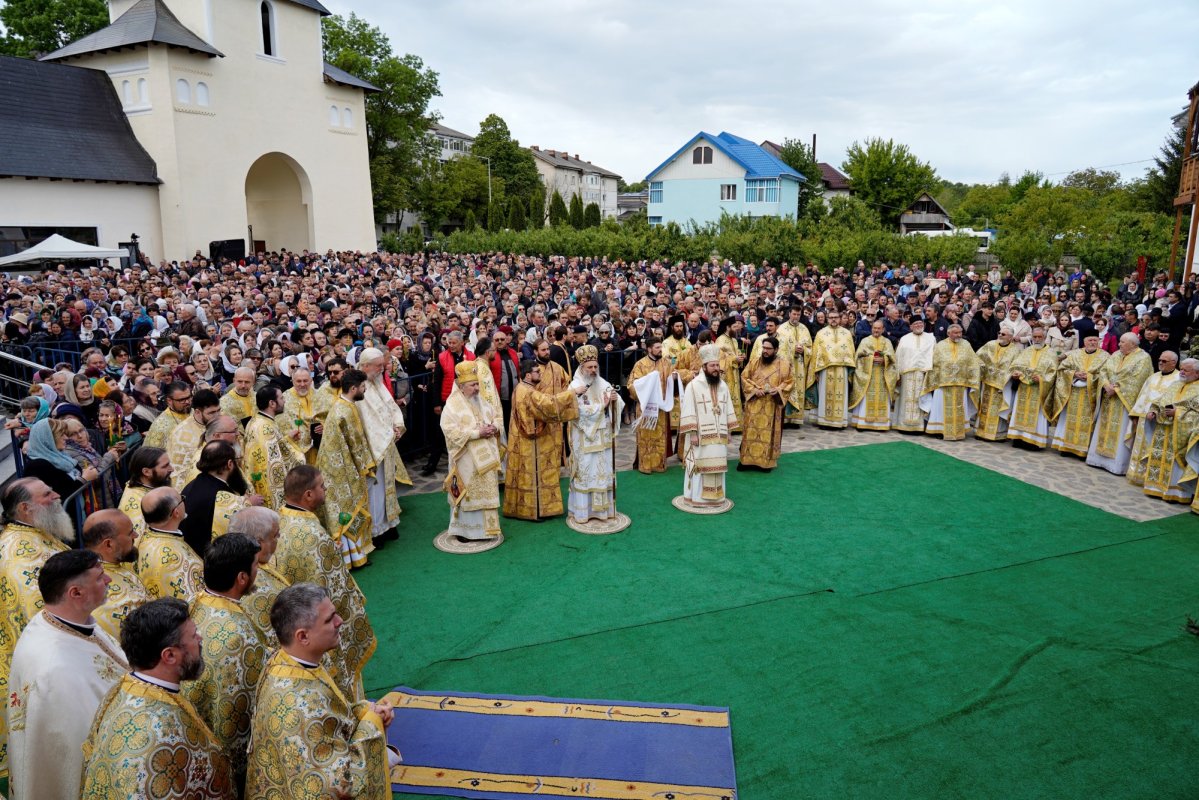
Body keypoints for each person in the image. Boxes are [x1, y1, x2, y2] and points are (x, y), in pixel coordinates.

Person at [245, 584, 396, 800]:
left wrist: (365, 710)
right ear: (303, 636)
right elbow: (335, 787)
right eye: (329, 619)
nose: (339, 621)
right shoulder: (300, 707)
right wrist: (371, 722)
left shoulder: (285, 660)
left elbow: (331, 718)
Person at [80, 598, 234, 799]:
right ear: (169, 656)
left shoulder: (124, 687)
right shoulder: (158, 734)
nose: (200, 638)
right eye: (193, 634)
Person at [7, 549, 128, 800]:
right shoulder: (54, 670)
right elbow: (78, 747)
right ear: (75, 593)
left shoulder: (59, 621)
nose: (108, 580)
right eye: (100, 577)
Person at [275, 466, 376, 702]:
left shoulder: (282, 518)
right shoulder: (313, 536)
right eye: (322, 486)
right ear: (308, 494)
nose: (325, 490)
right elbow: (331, 590)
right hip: (316, 625)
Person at [182, 533, 268, 792]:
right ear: (241, 578)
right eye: (256, 567)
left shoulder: (198, 601)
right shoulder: (238, 637)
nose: (259, 572)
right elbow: (242, 706)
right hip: (224, 751)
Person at [0, 478, 75, 776]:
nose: (57, 495)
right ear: (25, 509)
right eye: (47, 494)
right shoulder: (20, 559)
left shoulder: (34, 533)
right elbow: (51, 616)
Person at [503, 359, 583, 520]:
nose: (540, 374)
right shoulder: (529, 392)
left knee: (523, 475)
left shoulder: (520, 388)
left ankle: (522, 510)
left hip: (519, 440)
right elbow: (549, 404)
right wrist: (573, 393)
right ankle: (536, 510)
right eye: (537, 372)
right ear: (527, 375)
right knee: (536, 473)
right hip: (531, 442)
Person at [314, 368, 374, 567]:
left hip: (339, 465)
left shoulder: (345, 406)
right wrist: (366, 466)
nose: (364, 390)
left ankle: (356, 555)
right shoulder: (344, 410)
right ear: (354, 388)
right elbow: (355, 443)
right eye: (363, 387)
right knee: (346, 507)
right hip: (340, 469)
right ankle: (351, 558)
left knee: (345, 507)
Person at [441, 361, 505, 541]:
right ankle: (466, 531)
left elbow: (497, 416)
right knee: (468, 493)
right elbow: (450, 431)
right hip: (466, 459)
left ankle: (488, 529)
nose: (477, 388)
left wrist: (494, 427)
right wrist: (477, 433)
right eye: (472, 385)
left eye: (477, 384)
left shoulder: (482, 401)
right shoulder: (452, 405)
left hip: (486, 458)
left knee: (486, 491)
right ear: (461, 387)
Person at [356, 347, 412, 548]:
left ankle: (388, 524)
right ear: (365, 366)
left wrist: (397, 426)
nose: (382, 369)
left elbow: (390, 408)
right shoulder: (358, 387)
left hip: (386, 443)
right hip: (373, 449)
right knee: (375, 490)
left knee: (388, 486)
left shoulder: (377, 382)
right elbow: (368, 422)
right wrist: (390, 433)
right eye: (378, 366)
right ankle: (375, 530)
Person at [566, 344, 625, 524]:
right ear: (581, 367)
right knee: (586, 472)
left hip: (602, 437)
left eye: (595, 366)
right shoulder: (574, 386)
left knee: (601, 471)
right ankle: (583, 512)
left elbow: (616, 402)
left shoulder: (602, 382)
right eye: (589, 367)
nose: (593, 370)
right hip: (584, 438)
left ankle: (603, 512)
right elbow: (576, 411)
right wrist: (603, 406)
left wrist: (615, 402)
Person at [678, 345, 738, 507]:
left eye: (717, 365)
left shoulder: (723, 385)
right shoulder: (693, 385)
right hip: (701, 435)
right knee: (700, 466)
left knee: (717, 465)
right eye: (712, 365)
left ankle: (717, 498)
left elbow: (728, 408)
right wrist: (692, 434)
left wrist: (730, 430)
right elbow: (688, 409)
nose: (716, 368)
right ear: (703, 367)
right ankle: (697, 498)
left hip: (720, 435)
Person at [1086, 333, 1154, 475]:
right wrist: (1105, 384)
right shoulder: (1116, 354)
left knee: (1121, 430)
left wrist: (1116, 389)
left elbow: (1138, 379)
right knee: (1103, 428)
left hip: (1124, 401)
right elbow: (1104, 370)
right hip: (1108, 398)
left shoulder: (1143, 358)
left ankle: (1117, 465)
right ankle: (1097, 459)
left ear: (1133, 344)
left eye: (1122, 342)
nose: (1119, 344)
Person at [82, 509, 153, 641]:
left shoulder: (114, 562)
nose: (136, 535)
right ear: (109, 544)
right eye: (130, 533)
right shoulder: (107, 606)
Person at [226, 506, 290, 648]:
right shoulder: (258, 587)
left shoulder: (232, 561)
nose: (278, 539)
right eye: (275, 535)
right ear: (259, 543)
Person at [181, 440, 258, 554]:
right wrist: (248, 504)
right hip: (206, 556)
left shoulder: (192, 484)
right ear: (229, 464)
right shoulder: (223, 498)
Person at [1139, 358, 1199, 503]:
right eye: (1181, 368)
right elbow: (1160, 400)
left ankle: (1175, 493)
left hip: (1180, 434)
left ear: (1197, 373)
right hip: (1163, 429)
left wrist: (1177, 414)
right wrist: (1153, 410)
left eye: (1186, 370)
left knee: (1175, 463)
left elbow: (1196, 415)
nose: (1182, 372)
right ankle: (1155, 488)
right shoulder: (1175, 384)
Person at [137, 486, 205, 601]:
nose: (184, 501)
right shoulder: (176, 559)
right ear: (176, 513)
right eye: (182, 499)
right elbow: (194, 601)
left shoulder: (143, 537)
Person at [1048, 333, 1109, 457]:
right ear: (1084, 342)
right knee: (1069, 419)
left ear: (1099, 341)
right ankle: (1065, 447)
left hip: (1090, 396)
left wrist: (1090, 376)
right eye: (1090, 340)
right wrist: (1074, 374)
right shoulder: (1075, 354)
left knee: (1087, 422)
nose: (1092, 342)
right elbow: (1061, 369)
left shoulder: (1105, 356)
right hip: (1073, 394)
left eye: (1095, 340)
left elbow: (1106, 375)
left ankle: (1083, 450)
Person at [245, 385, 304, 509]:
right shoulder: (265, 428)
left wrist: (288, 439)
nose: (284, 401)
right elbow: (274, 464)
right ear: (272, 403)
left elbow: (272, 448)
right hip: (267, 490)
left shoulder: (257, 420)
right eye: (281, 398)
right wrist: (299, 458)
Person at [1127, 351, 1181, 487]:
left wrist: (1159, 412)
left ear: (1174, 363)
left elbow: (1176, 401)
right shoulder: (1153, 376)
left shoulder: (1178, 379)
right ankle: (1136, 476)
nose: (1160, 363)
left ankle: (1149, 479)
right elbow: (1143, 395)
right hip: (1144, 417)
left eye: (1164, 361)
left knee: (1153, 450)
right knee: (1139, 448)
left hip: (1160, 421)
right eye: (1160, 360)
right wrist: (1136, 414)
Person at [739, 336, 793, 471]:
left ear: (776, 349)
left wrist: (779, 390)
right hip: (754, 402)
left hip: (771, 404)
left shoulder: (784, 364)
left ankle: (765, 462)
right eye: (764, 348)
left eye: (768, 349)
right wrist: (754, 389)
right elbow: (744, 377)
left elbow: (790, 382)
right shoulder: (755, 361)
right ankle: (745, 461)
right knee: (750, 432)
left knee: (767, 433)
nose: (765, 351)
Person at [920, 324, 981, 441]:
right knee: (940, 407)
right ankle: (939, 429)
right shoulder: (941, 345)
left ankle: (958, 430)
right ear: (948, 333)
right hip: (943, 383)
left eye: (960, 332)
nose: (959, 335)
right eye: (956, 333)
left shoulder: (966, 344)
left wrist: (977, 368)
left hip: (960, 383)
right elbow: (935, 363)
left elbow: (973, 361)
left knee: (959, 407)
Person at [752, 306, 811, 428]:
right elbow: (754, 357)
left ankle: (789, 419)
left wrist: (801, 350)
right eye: (793, 314)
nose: (795, 316)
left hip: (787, 369)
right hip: (767, 371)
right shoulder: (763, 337)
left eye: (798, 314)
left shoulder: (792, 335)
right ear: (789, 314)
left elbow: (790, 354)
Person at [628, 337, 678, 473]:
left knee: (659, 436)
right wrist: (648, 381)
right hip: (646, 408)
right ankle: (645, 466)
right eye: (657, 347)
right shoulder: (640, 364)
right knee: (646, 437)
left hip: (660, 407)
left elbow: (671, 379)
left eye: (661, 347)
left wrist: (673, 379)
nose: (660, 350)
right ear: (649, 349)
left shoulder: (666, 363)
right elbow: (632, 385)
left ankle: (659, 465)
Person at [1006, 325, 1058, 449]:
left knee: (1037, 415)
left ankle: (1034, 441)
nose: (1037, 339)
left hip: (1038, 390)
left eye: (1040, 337)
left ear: (1045, 338)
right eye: (1035, 337)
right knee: (1020, 412)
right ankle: (1018, 438)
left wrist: (1041, 379)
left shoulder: (1051, 353)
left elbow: (1053, 372)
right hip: (1024, 388)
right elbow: (1015, 365)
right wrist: (1016, 373)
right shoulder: (1027, 350)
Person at [20, 417, 99, 499]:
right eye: (61, 434)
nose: (66, 437)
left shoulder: (61, 455)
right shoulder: (37, 466)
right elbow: (59, 495)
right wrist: (83, 479)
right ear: (48, 438)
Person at [805, 309, 856, 428]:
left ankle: (839, 421)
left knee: (840, 395)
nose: (833, 319)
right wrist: (815, 371)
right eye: (831, 317)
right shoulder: (821, 333)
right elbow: (816, 353)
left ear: (840, 318)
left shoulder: (846, 333)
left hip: (841, 369)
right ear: (827, 319)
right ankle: (824, 421)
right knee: (824, 395)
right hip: (825, 370)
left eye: (836, 317)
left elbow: (851, 351)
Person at [166, 388, 221, 490]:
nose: (217, 416)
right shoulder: (181, 435)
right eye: (212, 413)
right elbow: (178, 473)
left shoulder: (218, 423)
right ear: (197, 412)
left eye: (219, 410)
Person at [849, 319, 898, 431]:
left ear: (883, 329)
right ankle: (862, 422)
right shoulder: (865, 341)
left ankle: (881, 424)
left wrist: (884, 360)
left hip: (882, 375)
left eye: (878, 328)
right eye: (874, 328)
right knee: (866, 398)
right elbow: (858, 358)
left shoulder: (887, 342)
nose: (876, 330)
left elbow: (893, 359)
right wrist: (870, 359)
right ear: (872, 329)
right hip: (868, 376)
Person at [974, 328, 1022, 442]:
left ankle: (997, 434)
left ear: (1010, 337)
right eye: (999, 333)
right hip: (987, 382)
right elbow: (977, 357)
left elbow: (1017, 366)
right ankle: (980, 432)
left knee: (998, 409)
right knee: (985, 407)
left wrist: (1013, 374)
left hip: (1003, 385)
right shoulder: (990, 345)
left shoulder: (1015, 351)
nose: (1000, 335)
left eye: (1003, 334)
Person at [892, 316, 935, 433]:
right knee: (905, 399)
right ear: (910, 326)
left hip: (923, 374)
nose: (918, 325)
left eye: (920, 323)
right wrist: (898, 375)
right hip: (907, 374)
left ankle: (919, 427)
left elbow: (934, 355)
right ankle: (903, 425)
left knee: (921, 399)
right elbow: (899, 357)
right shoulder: (904, 339)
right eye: (915, 324)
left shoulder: (931, 338)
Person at [118, 445, 172, 535]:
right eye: (165, 466)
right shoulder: (137, 505)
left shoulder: (152, 487)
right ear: (146, 472)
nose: (172, 469)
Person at [281, 365, 318, 464]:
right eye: (298, 381)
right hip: (297, 452)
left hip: (319, 449)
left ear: (311, 380)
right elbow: (280, 426)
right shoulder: (283, 399)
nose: (302, 384)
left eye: (305, 381)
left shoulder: (319, 396)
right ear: (292, 381)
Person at [144, 380, 193, 449]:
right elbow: (153, 456)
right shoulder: (160, 427)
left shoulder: (194, 412)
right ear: (169, 401)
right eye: (182, 400)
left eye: (189, 397)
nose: (188, 402)